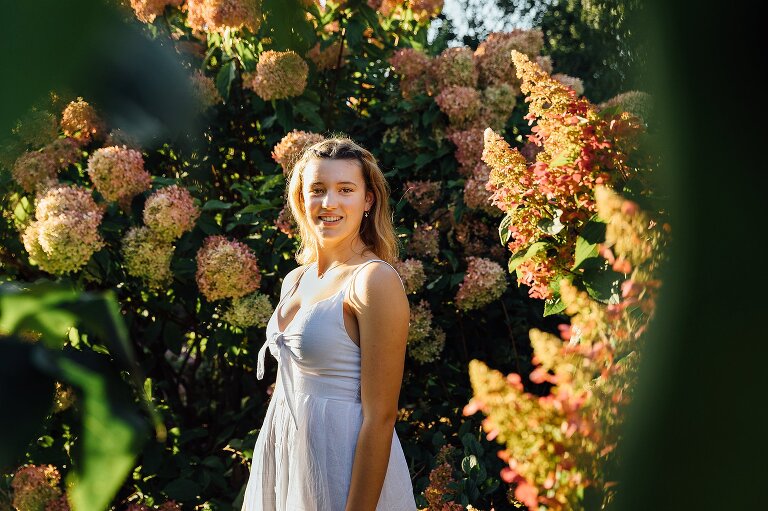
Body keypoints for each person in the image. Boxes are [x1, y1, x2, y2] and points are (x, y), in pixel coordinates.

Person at [241, 137, 417, 511]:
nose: (329, 203)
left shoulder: (373, 280)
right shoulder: (295, 279)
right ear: (301, 199)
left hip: (340, 466)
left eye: (345, 190)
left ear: (368, 200)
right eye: (317, 190)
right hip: (288, 454)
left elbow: (381, 417)